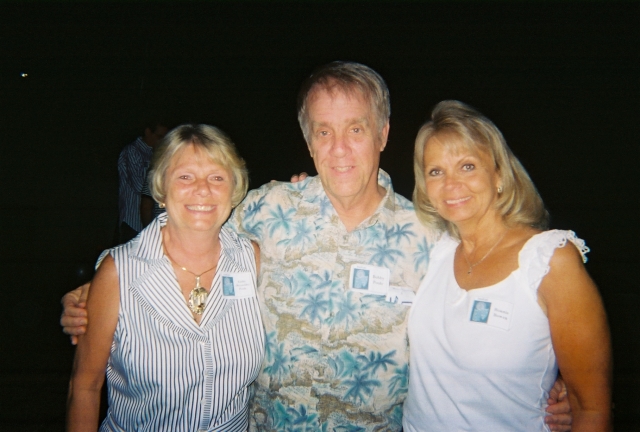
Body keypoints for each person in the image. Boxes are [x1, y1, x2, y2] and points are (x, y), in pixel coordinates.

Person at [61, 62, 572, 431]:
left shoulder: (432, 233)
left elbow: (499, 295)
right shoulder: (266, 209)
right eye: (324, 133)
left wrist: (552, 385)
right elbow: (188, 226)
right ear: (308, 143)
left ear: (383, 134)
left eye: (355, 129)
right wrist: (98, 289)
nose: (340, 149)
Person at [403, 100, 612, 431]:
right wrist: (304, 194)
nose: (451, 184)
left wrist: (569, 395)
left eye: (468, 166)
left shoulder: (549, 261)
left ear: (499, 174)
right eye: (436, 171)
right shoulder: (433, 250)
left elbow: (591, 410)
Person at [67, 124, 265, 431]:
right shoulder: (119, 272)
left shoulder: (252, 260)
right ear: (160, 187)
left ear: (235, 188)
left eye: (217, 177)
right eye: (185, 176)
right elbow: (84, 387)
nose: (203, 189)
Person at [117, 117, 169, 244]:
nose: (162, 141)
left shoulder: (156, 154)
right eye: (159, 136)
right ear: (147, 132)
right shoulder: (133, 151)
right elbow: (140, 187)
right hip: (133, 221)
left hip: (151, 222)